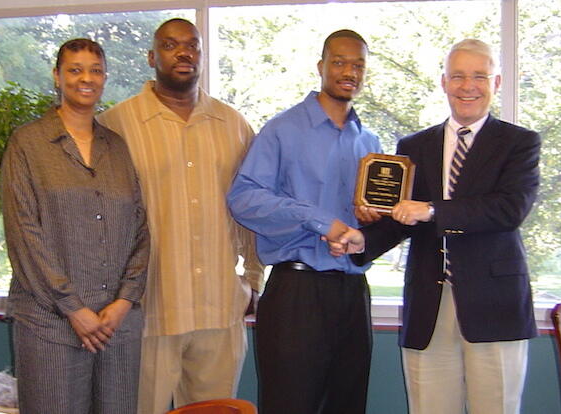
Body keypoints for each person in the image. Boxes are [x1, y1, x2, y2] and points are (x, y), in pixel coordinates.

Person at [332, 39, 541, 414]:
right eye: (458, 76)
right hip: (428, 307)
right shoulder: (414, 145)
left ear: (496, 82)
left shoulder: (519, 143)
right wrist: (361, 238)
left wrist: (430, 210)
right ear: (443, 82)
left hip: (495, 307)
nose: (468, 86)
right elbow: (400, 219)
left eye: (479, 76)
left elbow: (509, 209)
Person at [97, 18, 263, 413]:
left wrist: (253, 280)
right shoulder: (115, 125)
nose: (184, 52)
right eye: (171, 45)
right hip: (148, 310)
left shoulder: (234, 125)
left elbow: (252, 208)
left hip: (219, 308)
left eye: (193, 45)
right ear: (153, 56)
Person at [226, 29, 381, 414]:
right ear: (321, 67)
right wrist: (320, 222)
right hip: (297, 293)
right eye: (340, 62)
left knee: (348, 405)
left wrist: (369, 228)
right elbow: (243, 199)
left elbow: (377, 223)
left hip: (353, 292)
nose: (349, 72)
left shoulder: (371, 144)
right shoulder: (283, 130)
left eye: (358, 64)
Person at [1, 38, 150, 414]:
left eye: (95, 70)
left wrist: (123, 302)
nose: (87, 78)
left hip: (116, 326)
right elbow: (25, 236)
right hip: (50, 324)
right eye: (75, 69)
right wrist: (74, 308)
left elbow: (140, 228)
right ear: (57, 76)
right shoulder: (27, 144)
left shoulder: (117, 147)